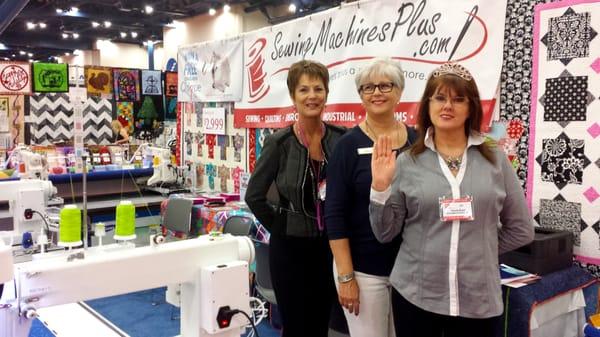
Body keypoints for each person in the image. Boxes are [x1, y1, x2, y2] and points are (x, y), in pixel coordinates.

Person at [369, 62, 534, 337]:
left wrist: (478, 251)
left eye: (459, 99)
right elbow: (385, 233)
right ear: (428, 104)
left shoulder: (495, 159)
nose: (448, 106)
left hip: (477, 300)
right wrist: (380, 187)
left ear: (471, 108)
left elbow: (521, 229)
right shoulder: (408, 162)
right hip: (416, 295)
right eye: (440, 98)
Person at [245, 60, 345, 337]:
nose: (312, 96)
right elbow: (254, 195)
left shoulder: (341, 139)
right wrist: (282, 225)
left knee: (322, 321)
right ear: (293, 96)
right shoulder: (280, 143)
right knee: (297, 325)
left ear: (326, 93)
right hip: (289, 251)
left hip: (329, 249)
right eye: (304, 90)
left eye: (318, 88)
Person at [325, 58, 417, 337]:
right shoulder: (347, 146)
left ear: (400, 92)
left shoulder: (418, 142)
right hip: (364, 272)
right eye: (368, 88)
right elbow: (334, 213)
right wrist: (346, 276)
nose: (376, 92)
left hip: (410, 271)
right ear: (361, 96)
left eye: (385, 85)